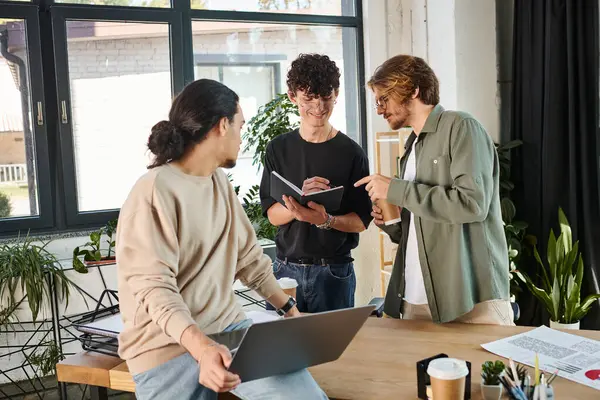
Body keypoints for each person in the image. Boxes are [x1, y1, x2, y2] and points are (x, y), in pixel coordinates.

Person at [116, 79, 328, 400]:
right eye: (240, 127)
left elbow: (249, 259)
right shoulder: (154, 190)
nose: (241, 138)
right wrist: (202, 349)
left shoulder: (218, 183)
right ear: (222, 125)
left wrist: (290, 312)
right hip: (167, 347)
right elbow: (154, 287)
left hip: (227, 330)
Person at [355, 55, 513, 325]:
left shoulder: (461, 127)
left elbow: (472, 204)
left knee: (486, 370)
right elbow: (423, 227)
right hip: (417, 298)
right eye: (377, 101)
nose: (379, 109)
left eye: (384, 98)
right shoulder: (412, 146)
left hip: (471, 299)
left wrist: (397, 189)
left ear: (413, 90)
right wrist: (392, 222)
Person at [259, 53, 373, 313]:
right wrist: (298, 206)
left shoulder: (352, 152)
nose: (319, 106)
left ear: (336, 94)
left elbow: (361, 221)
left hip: (333, 271)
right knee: (278, 349)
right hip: (284, 271)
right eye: (309, 98)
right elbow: (273, 216)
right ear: (292, 97)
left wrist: (325, 220)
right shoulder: (278, 149)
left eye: (326, 97)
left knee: (334, 352)